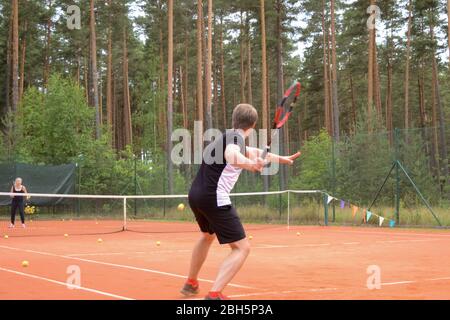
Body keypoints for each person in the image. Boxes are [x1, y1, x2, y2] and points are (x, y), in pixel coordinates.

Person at [181, 104, 301, 300]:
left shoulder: (226, 137)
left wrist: (283, 159)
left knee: (207, 236)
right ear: (252, 125)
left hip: (196, 195)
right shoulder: (234, 140)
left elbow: (257, 153)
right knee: (242, 248)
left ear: (234, 120)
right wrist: (250, 165)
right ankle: (214, 294)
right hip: (214, 197)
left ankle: (191, 283)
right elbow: (232, 155)